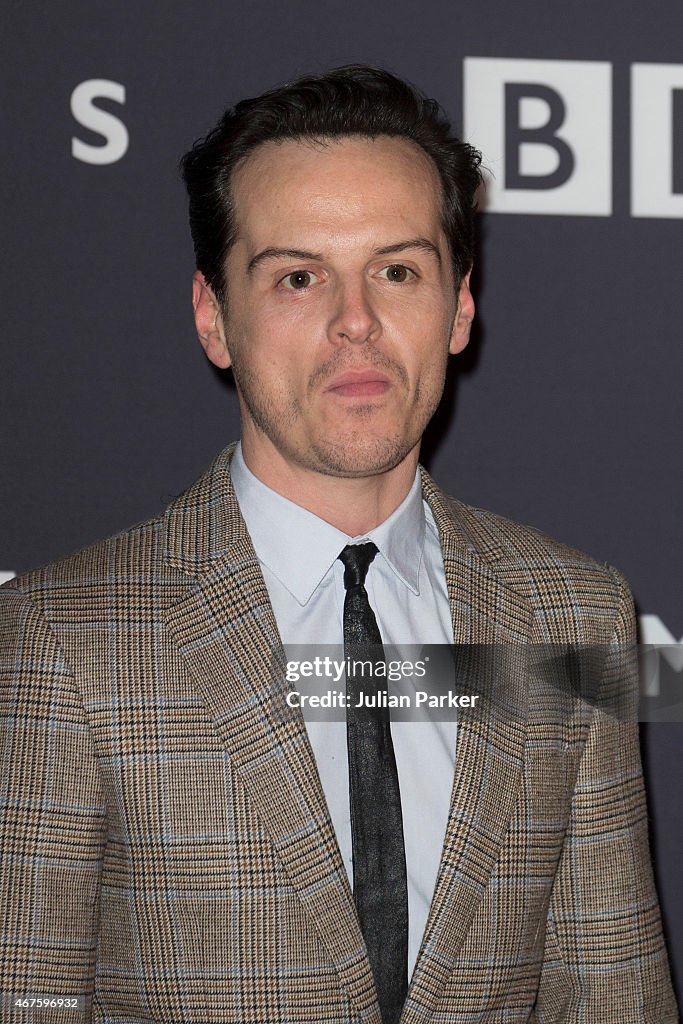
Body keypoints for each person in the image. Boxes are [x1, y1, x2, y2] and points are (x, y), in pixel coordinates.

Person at [0, 65, 677, 1024]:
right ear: (212, 316)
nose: (354, 322)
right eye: (297, 277)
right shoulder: (58, 640)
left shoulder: (574, 615)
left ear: (460, 307)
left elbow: (613, 992)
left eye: (397, 271)